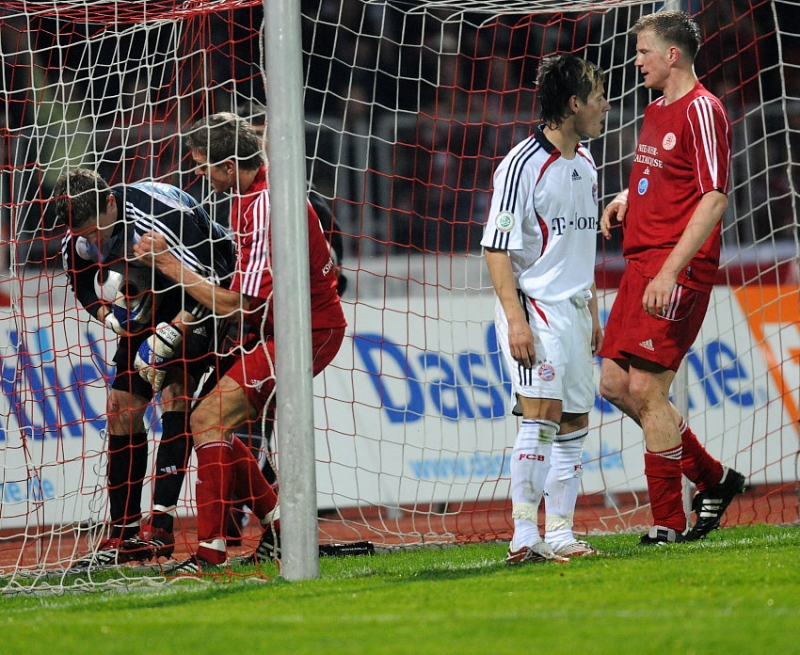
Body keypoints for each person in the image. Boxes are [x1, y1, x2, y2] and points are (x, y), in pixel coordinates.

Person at [134, 112, 347, 572]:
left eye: (205, 165)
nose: (200, 175)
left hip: (306, 332)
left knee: (207, 419)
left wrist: (170, 265)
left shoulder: (262, 203)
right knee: (213, 423)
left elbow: (241, 303)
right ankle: (276, 529)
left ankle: (213, 552)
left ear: (230, 165)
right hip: (286, 328)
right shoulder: (257, 195)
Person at [598, 10, 746, 545]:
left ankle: (667, 524)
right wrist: (623, 197)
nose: (636, 61)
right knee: (614, 383)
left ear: (672, 55)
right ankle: (713, 479)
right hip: (643, 261)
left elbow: (712, 198)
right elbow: (659, 175)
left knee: (646, 387)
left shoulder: (704, 110)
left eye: (642, 52)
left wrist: (670, 271)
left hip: (674, 266)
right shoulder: (657, 107)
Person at [54, 168, 236, 569]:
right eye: (85, 236)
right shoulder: (78, 234)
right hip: (148, 297)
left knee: (176, 390)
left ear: (112, 204)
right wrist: (109, 318)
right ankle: (123, 532)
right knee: (121, 407)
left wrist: (174, 331)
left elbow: (219, 276)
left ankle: (161, 528)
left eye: (98, 233)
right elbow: (84, 287)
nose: (93, 242)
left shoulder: (160, 215)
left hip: (201, 293)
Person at [481, 54, 610, 564]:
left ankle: (559, 533)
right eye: (598, 96)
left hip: (577, 309)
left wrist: (594, 306)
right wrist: (515, 319)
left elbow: (580, 247)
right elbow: (495, 248)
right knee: (541, 419)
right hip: (535, 308)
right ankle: (522, 536)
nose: (605, 105)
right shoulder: (520, 165)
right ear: (574, 103)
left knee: (575, 421)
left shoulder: (587, 162)